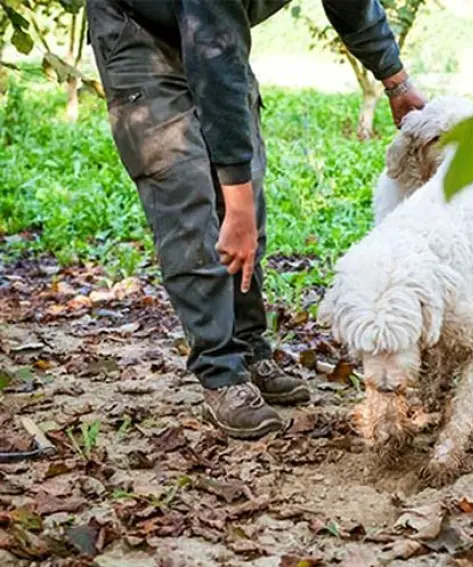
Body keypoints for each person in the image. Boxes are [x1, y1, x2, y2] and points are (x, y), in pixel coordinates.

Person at [84, 0, 427, 440]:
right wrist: (238, 209)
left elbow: (353, 5)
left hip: (214, 30)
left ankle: (248, 349)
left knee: (248, 194)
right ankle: (220, 373)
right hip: (140, 31)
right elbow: (214, 58)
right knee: (187, 193)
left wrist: (396, 81)